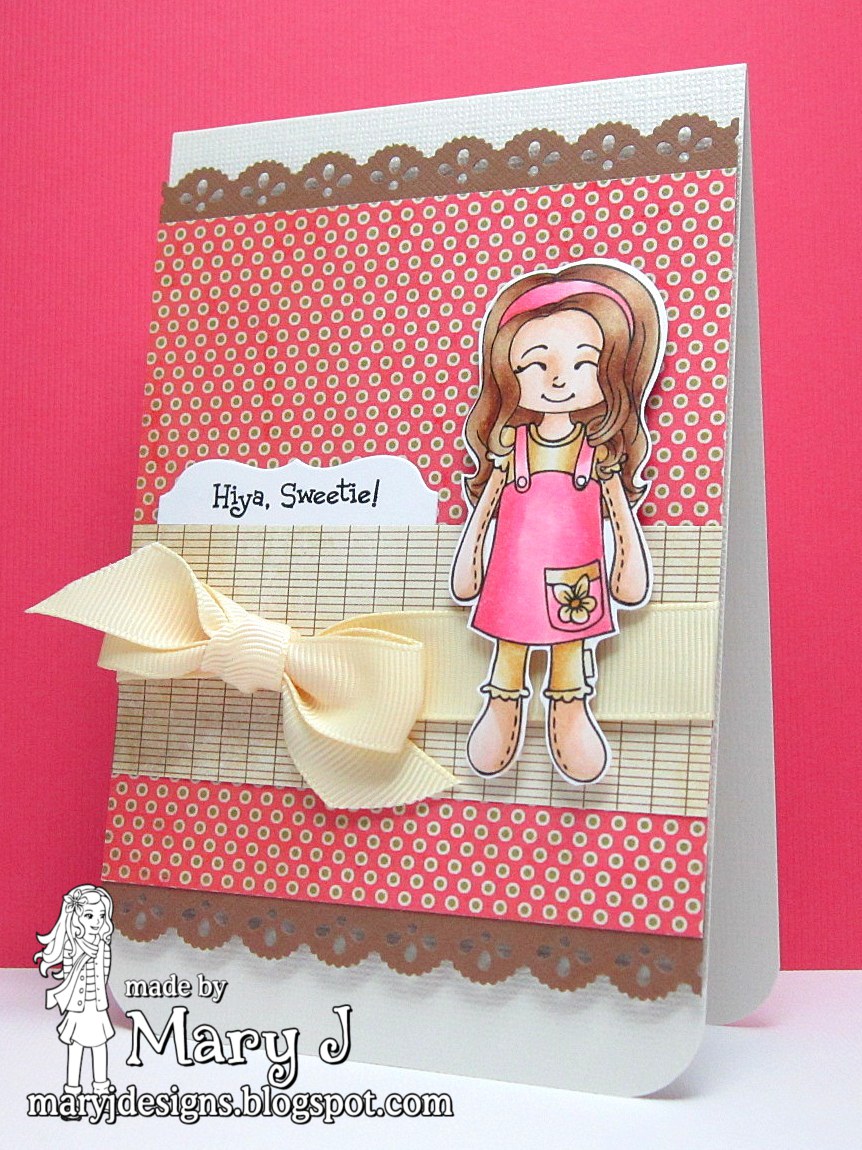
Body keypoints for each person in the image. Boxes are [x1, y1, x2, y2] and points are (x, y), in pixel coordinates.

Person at [451, 260, 666, 784]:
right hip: (512, 577)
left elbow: (620, 515)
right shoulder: (511, 449)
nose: (558, 378)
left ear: (611, 370)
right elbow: (484, 512)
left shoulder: (598, 453)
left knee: (570, 647)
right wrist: (470, 565)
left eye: (583, 362)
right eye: (535, 365)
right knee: (509, 644)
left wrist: (627, 572)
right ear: (507, 373)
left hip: (576, 581)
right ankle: (502, 703)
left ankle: (570, 711)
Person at [35, 884, 115, 1107]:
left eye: (101, 915)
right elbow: (69, 973)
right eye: (89, 916)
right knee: (76, 1046)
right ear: (76, 918)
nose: (96, 921)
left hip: (96, 1004)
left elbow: (104, 971)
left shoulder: (103, 945)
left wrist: (98, 991)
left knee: (99, 1044)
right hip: (78, 1006)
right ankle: (72, 1087)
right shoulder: (72, 946)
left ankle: (101, 1085)